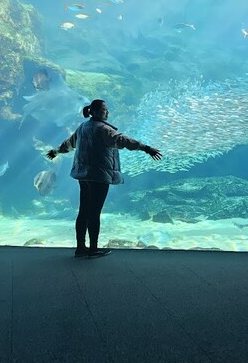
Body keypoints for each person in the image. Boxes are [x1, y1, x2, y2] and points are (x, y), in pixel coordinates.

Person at [46, 99, 162, 259]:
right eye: (104, 109)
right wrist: (146, 148)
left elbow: (69, 144)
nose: (107, 112)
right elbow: (124, 141)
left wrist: (56, 151)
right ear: (95, 111)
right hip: (99, 175)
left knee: (84, 211)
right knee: (95, 212)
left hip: (83, 175)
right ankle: (93, 249)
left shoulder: (83, 127)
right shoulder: (104, 129)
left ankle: (80, 248)